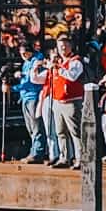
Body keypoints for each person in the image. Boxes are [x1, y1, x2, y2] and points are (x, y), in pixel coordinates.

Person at [47, 35, 86, 170]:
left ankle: (81, 158)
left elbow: (72, 76)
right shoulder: (58, 63)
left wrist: (57, 67)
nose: (63, 48)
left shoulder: (76, 62)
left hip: (71, 102)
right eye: (60, 46)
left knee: (75, 131)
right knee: (60, 131)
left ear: (71, 46)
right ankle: (65, 157)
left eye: (65, 45)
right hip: (58, 101)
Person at [13, 43, 50, 164]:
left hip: (34, 96)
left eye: (25, 53)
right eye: (21, 53)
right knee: (30, 127)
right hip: (25, 96)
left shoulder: (37, 61)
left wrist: (14, 88)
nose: (23, 55)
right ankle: (34, 151)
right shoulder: (26, 62)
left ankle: (38, 152)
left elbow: (32, 81)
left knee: (36, 126)